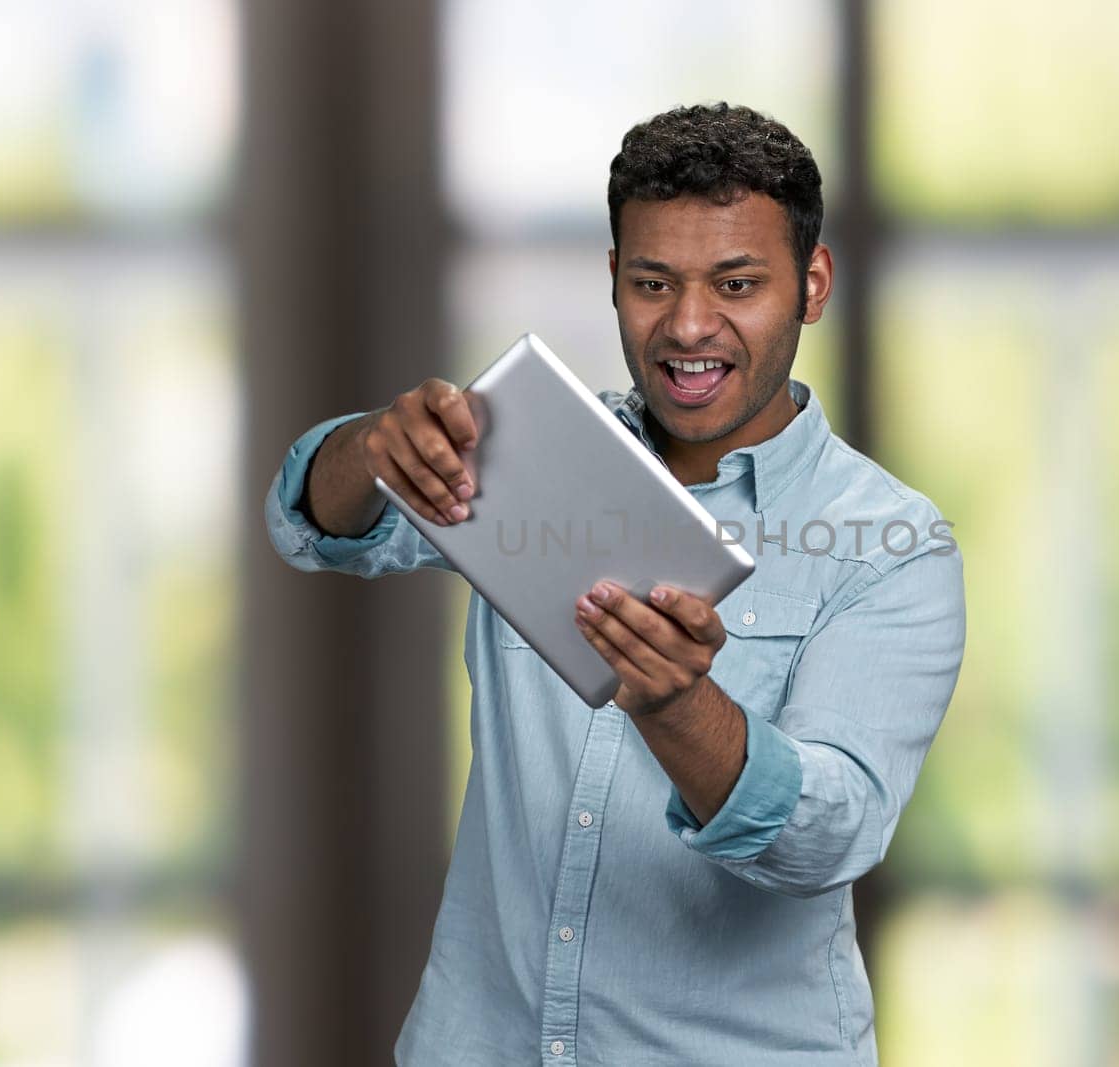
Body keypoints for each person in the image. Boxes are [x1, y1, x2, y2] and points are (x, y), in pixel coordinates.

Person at [266, 102, 966, 1066]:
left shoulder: (891, 546)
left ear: (812, 285)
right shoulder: (528, 450)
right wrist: (373, 447)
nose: (688, 324)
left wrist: (680, 708)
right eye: (652, 282)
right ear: (613, 280)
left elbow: (826, 838)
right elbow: (320, 528)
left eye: (737, 283)